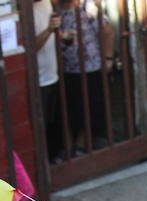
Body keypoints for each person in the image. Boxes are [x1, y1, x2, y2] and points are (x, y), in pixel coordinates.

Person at [57, 0, 114, 153]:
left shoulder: (86, 7)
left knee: (89, 108)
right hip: (66, 69)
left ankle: (82, 145)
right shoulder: (55, 9)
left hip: (90, 66)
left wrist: (108, 58)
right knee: (71, 109)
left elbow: (107, 29)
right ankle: (70, 147)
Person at [32, 0, 63, 161]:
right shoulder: (25, 11)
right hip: (38, 80)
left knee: (53, 125)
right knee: (40, 129)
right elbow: (30, 46)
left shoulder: (46, 3)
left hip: (53, 74)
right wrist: (50, 30)